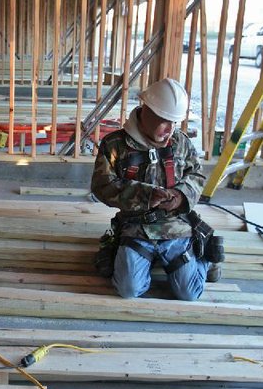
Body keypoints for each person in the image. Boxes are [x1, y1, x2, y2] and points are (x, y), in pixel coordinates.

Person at [90, 78, 223, 301]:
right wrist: (144, 195)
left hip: (176, 227)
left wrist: (181, 195)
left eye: (175, 122)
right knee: (129, 290)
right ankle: (135, 258)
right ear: (146, 110)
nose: (170, 129)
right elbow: (101, 186)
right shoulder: (115, 145)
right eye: (165, 120)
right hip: (136, 228)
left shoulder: (180, 142)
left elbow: (197, 175)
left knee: (189, 293)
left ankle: (203, 259)